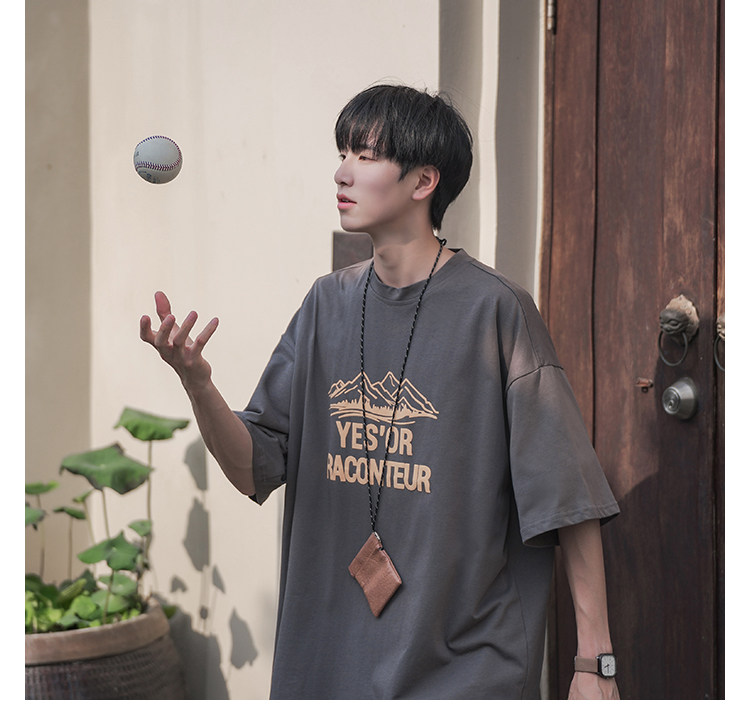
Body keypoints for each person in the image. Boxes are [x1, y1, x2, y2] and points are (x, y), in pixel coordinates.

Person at [140, 84, 620, 700]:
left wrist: (593, 665)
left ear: (423, 181)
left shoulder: (496, 311)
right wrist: (198, 384)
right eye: (342, 154)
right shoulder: (326, 304)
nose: (342, 173)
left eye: (364, 156)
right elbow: (252, 468)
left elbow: (568, 499)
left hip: (463, 672)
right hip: (328, 666)